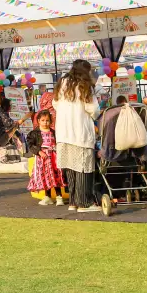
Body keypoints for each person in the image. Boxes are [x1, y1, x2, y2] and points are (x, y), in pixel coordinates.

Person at [54, 60, 100, 213]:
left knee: (70, 168)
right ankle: (84, 203)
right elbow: (93, 109)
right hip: (80, 133)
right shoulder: (85, 85)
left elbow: (55, 104)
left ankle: (73, 202)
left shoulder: (62, 83)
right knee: (83, 168)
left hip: (63, 133)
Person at [26, 109, 63, 205]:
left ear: (50, 121)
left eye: (47, 120)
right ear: (38, 121)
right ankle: (47, 196)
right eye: (43, 120)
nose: (45, 123)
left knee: (55, 176)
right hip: (42, 158)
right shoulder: (35, 133)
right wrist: (39, 151)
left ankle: (59, 197)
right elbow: (30, 144)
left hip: (53, 157)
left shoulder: (53, 132)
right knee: (46, 177)